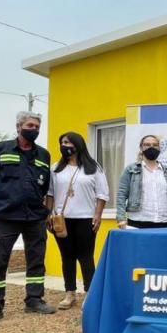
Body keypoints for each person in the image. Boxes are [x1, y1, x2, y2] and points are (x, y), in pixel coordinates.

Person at [0, 111, 56, 326]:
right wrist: (1, 198)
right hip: (5, 215)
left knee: (36, 260)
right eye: (30, 125)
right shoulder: (0, 149)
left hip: (34, 216)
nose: (34, 130)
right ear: (19, 126)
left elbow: (44, 183)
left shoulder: (43, 155)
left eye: (37, 127)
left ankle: (34, 300)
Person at [46, 131, 109, 310]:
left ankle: (90, 294)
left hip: (86, 219)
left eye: (68, 142)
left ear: (78, 144)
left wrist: (98, 215)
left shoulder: (93, 167)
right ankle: (70, 294)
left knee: (86, 257)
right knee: (67, 256)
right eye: (62, 142)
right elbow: (49, 193)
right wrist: (48, 214)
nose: (65, 145)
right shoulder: (55, 168)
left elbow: (102, 194)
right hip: (61, 220)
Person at [116, 134, 167, 228]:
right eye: (147, 145)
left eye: (155, 145)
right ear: (141, 148)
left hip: (166, 222)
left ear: (159, 148)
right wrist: (121, 218)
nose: (151, 147)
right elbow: (121, 194)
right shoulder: (131, 170)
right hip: (139, 221)